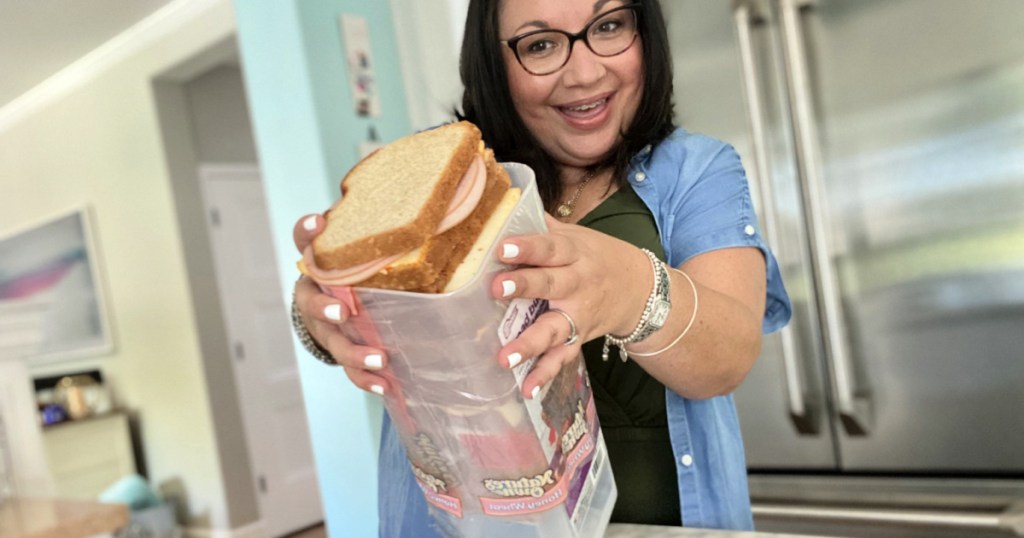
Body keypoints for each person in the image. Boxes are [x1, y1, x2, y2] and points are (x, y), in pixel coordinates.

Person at [291, 0, 791, 534]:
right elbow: (378, 307)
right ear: (494, 64)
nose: (585, 72)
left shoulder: (698, 170)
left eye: (609, 26)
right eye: (540, 44)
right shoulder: (449, 177)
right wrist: (324, 319)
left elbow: (730, 354)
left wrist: (628, 292)